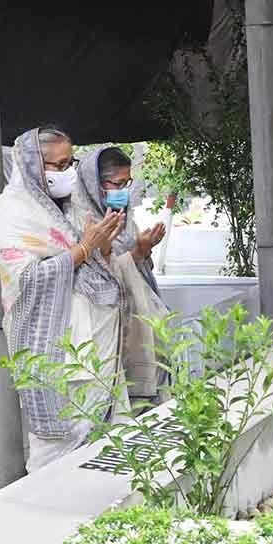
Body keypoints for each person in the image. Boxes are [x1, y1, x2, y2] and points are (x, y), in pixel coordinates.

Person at [0, 127, 128, 472]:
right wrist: (81, 250)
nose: (69, 172)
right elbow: (26, 280)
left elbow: (95, 268)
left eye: (72, 162)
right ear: (35, 165)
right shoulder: (13, 211)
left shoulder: (68, 207)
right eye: (60, 164)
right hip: (56, 352)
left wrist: (99, 247)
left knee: (102, 446)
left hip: (93, 344)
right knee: (57, 452)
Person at [73, 146, 168, 404]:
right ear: (95, 184)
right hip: (102, 335)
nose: (124, 191)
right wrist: (135, 253)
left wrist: (142, 250)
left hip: (135, 323)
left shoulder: (123, 219)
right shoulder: (78, 221)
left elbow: (132, 268)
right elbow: (89, 276)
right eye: (118, 183)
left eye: (128, 183)